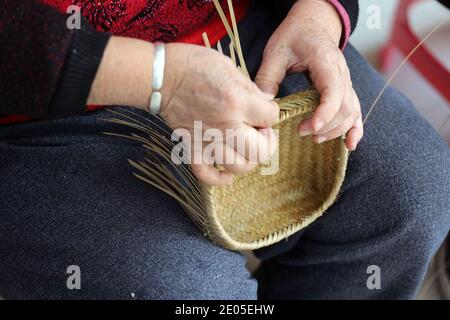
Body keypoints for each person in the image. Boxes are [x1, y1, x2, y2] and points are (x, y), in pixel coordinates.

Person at [0, 0, 449, 299]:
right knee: (188, 293)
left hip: (244, 31)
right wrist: (162, 80)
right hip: (41, 105)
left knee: (412, 190)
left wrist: (319, 16)